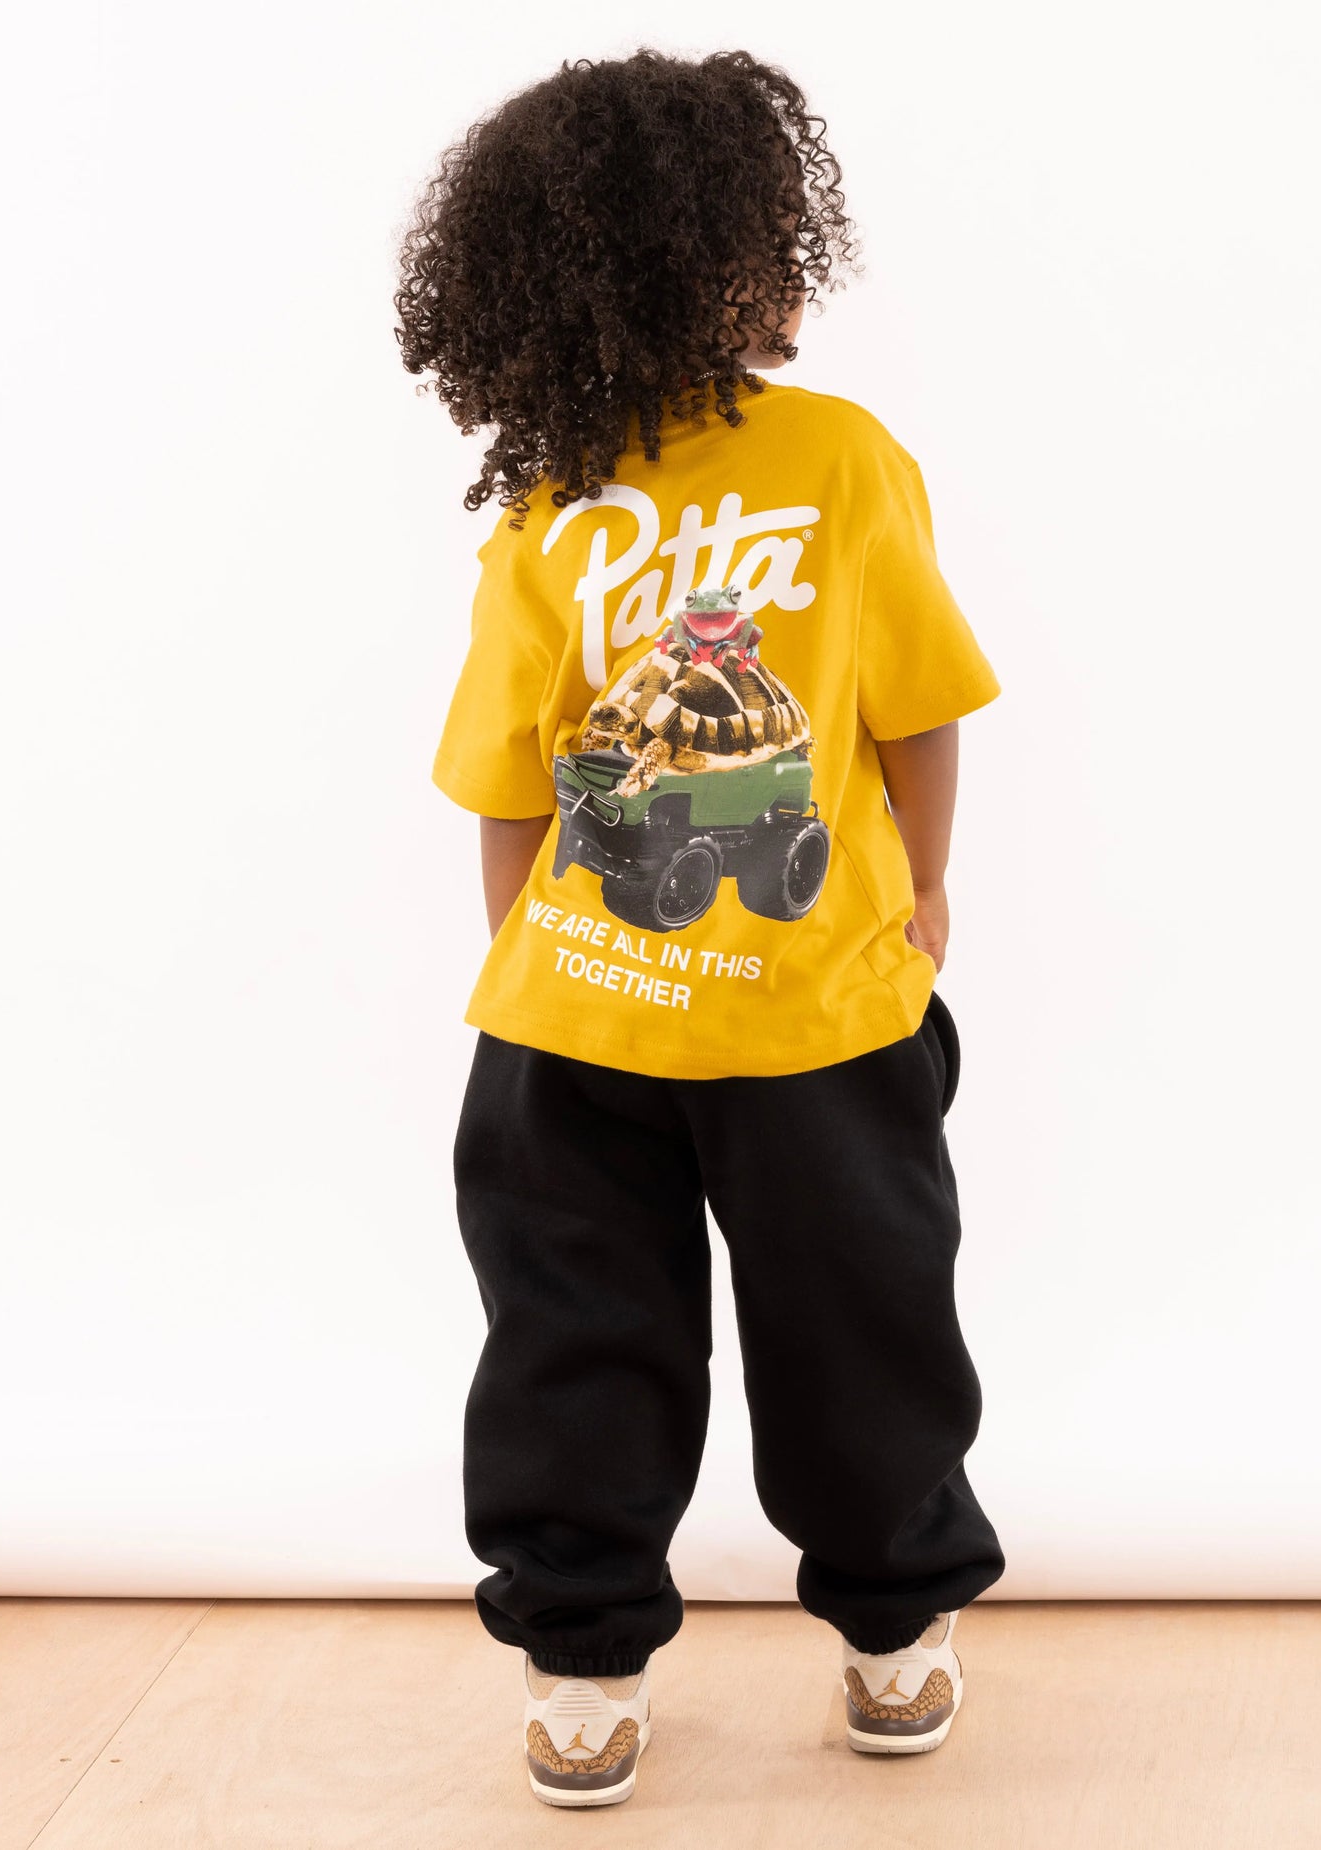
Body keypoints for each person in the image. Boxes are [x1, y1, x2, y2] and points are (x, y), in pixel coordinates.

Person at [395, 46, 1006, 1810]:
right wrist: (530, 974)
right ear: (723, 256)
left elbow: (903, 704)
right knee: (582, 1339)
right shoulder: (554, 504)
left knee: (855, 1322)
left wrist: (919, 887)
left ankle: (889, 1614)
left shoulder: (835, 462)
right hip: (593, 1033)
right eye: (769, 236)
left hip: (810, 1017)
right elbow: (533, 776)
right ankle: (585, 1643)